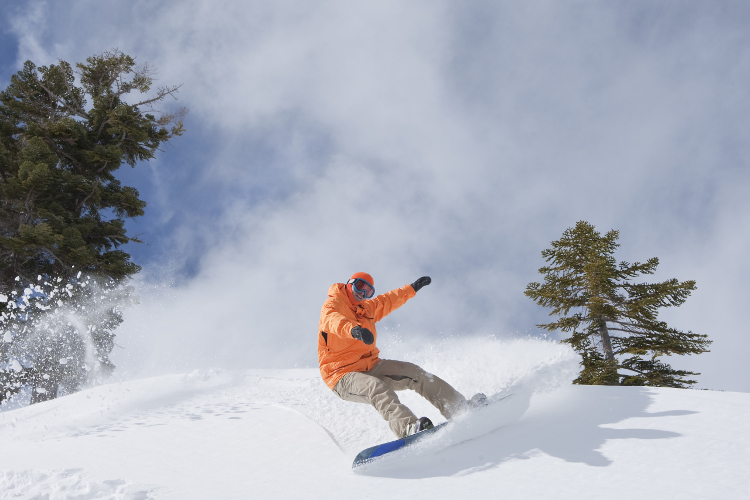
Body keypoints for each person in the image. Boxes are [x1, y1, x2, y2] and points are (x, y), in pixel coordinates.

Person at [318, 272, 485, 438]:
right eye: (360, 286)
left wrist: (412, 288)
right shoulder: (333, 303)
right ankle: (408, 428)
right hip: (340, 374)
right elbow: (333, 321)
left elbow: (388, 300)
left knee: (416, 373)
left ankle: (458, 408)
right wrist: (354, 331)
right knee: (375, 388)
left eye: (368, 292)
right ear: (349, 283)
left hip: (371, 364)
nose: (362, 293)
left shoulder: (367, 308)